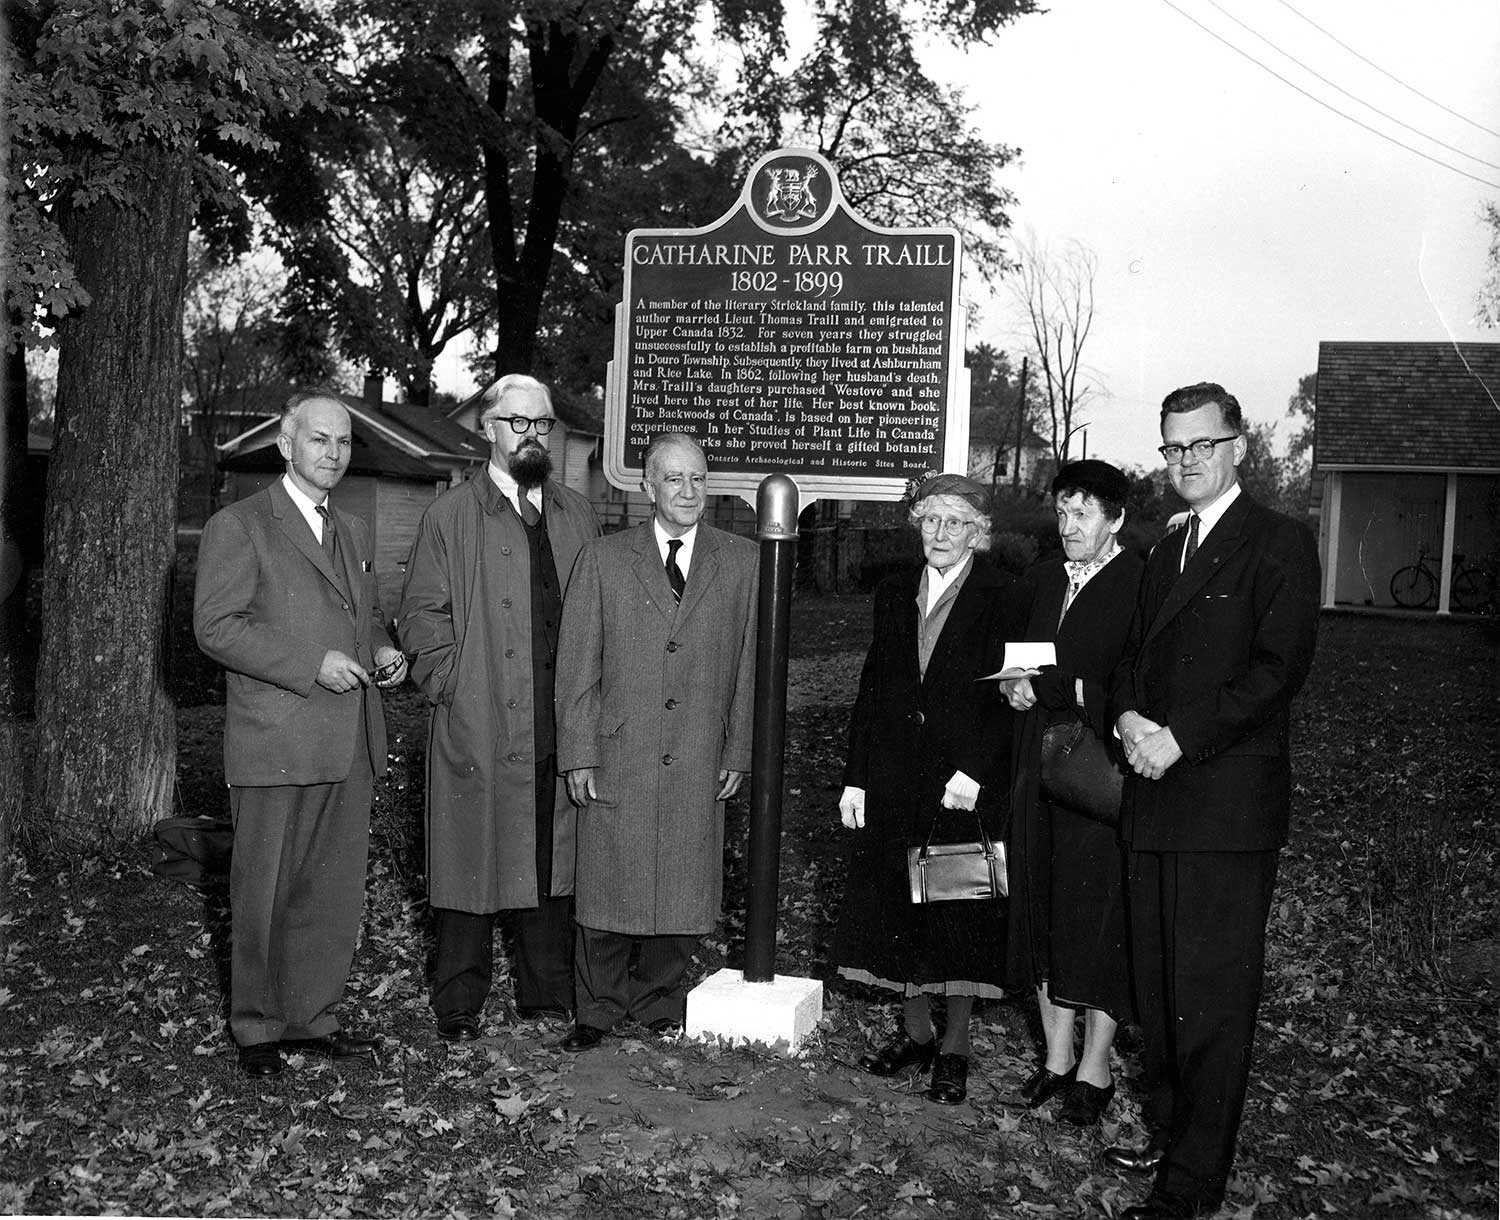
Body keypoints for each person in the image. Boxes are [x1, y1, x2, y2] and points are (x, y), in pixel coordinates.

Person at [1107, 383, 1320, 1220]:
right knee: (1159, 994)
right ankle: (1169, 1134)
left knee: (1212, 1001)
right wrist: (1126, 717)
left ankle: (1191, 1187)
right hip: (1155, 802)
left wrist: (1178, 739)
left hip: (1225, 809)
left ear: (1239, 446)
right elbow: (1130, 659)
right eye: (1172, 447)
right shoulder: (1164, 551)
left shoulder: (1279, 542)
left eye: (1201, 444)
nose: (1186, 460)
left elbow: (1277, 670)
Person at [194, 390, 408, 1078]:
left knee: (330, 891)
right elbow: (217, 627)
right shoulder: (242, 524)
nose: (334, 454)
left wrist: (380, 647)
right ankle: (257, 1029)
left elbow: (361, 615)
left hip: (346, 742)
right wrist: (311, 664)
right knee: (265, 889)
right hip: (276, 738)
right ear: (286, 445)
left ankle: (311, 1021)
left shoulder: (349, 527)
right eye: (320, 440)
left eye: (343, 443)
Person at [397, 374, 601, 1042]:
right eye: (519, 423)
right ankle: (459, 1004)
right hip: (480, 719)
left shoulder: (575, 513)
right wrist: (450, 682)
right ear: (488, 427)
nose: (532, 436)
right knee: (470, 863)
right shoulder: (451, 516)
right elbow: (422, 614)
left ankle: (547, 993)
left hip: (558, 718)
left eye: (542, 424)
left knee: (552, 860)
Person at [553, 432, 757, 1051]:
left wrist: (737, 748)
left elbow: (750, 668)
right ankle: (598, 1008)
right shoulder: (603, 559)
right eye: (673, 479)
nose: (689, 491)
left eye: (697, 478)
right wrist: (580, 751)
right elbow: (576, 667)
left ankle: (661, 1003)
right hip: (621, 750)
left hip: (699, 749)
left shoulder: (742, 561)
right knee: (609, 882)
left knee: (683, 880)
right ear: (647, 488)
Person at [834, 473, 1017, 1106]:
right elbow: (873, 687)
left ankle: (956, 1048)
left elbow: (1009, 699)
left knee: (954, 905)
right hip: (892, 775)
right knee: (899, 902)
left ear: (978, 532)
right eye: (931, 520)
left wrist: (974, 772)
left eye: (956, 523)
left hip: (961, 782)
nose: (940, 534)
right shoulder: (892, 592)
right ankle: (915, 1034)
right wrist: (855, 776)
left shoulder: (1004, 594)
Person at [999, 460, 1144, 1127]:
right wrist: (1013, 683)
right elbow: (1019, 659)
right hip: (1036, 766)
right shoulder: (1043, 579)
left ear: (1115, 519)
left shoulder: (1139, 583)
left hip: (1097, 776)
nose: (1069, 525)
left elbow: (1134, 684)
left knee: (1097, 920)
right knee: (1043, 911)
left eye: (1084, 512)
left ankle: (1096, 1066)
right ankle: (1057, 1060)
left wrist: (1065, 688)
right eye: (1062, 511)